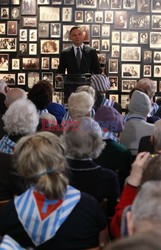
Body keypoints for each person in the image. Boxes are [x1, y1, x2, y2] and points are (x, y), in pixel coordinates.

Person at [0, 131, 108, 249]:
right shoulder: (89, 206)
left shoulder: (10, 212)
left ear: (23, 169)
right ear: (62, 163)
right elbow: (104, 244)